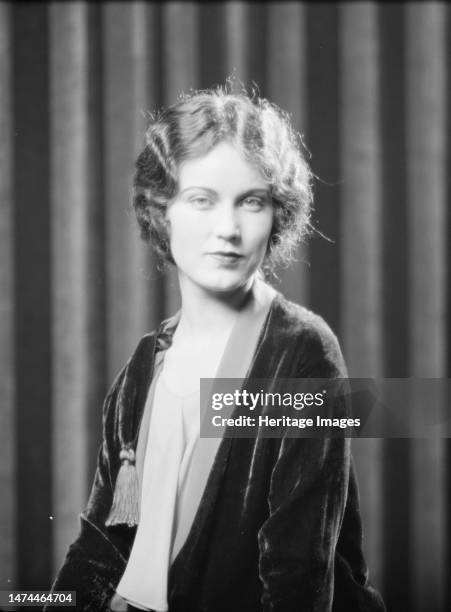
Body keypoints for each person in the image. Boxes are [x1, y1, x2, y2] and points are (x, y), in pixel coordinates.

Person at [47, 85, 385, 612]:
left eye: (251, 202)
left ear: (278, 214)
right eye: (201, 200)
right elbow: (102, 544)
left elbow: (297, 571)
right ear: (163, 213)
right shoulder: (143, 365)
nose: (227, 229)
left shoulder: (302, 352)